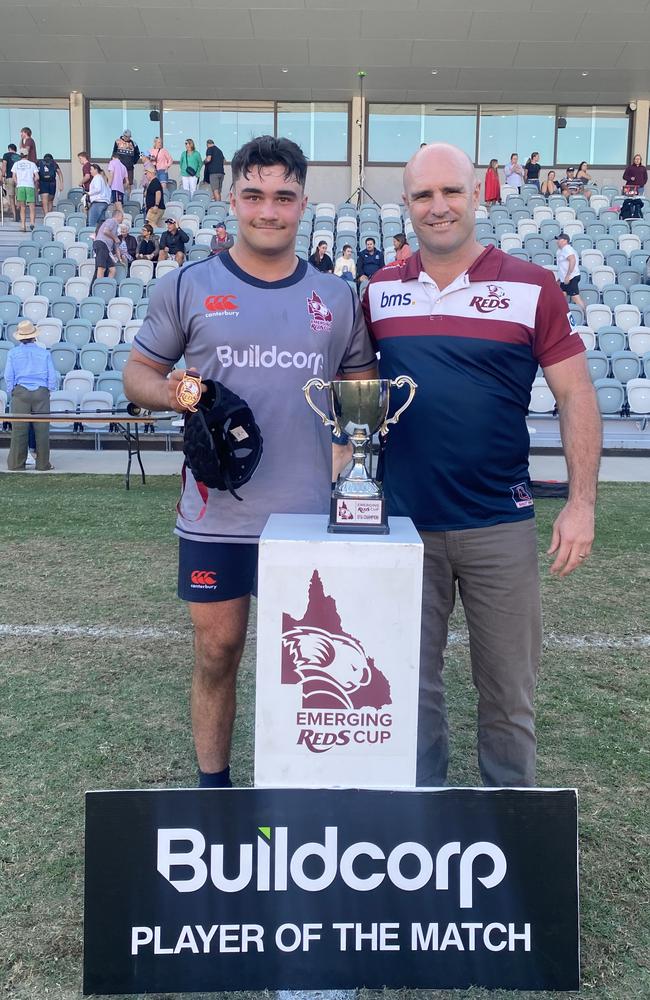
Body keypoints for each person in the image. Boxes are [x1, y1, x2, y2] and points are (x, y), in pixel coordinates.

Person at [123, 135, 376, 788]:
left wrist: (354, 459)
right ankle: (215, 791)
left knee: (313, 663)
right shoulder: (189, 285)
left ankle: (303, 788)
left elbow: (361, 390)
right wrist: (177, 390)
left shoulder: (336, 296)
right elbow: (137, 375)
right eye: (255, 195)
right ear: (232, 199)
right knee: (217, 651)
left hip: (310, 518)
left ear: (302, 204)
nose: (269, 211)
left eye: (284, 197)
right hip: (218, 516)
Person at [362, 142, 601, 788]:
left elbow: (577, 393)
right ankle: (421, 833)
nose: (437, 207)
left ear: (475, 195)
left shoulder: (533, 287)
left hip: (500, 524)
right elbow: (350, 402)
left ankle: (511, 830)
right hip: (404, 529)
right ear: (406, 205)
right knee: (407, 693)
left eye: (450, 192)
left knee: (508, 697)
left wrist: (581, 504)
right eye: (422, 195)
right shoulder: (379, 294)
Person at [5, 320, 57, 472]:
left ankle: (16, 464)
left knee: (19, 429)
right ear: (35, 336)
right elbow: (51, 375)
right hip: (40, 391)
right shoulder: (44, 353)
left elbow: (9, 375)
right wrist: (49, 389)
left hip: (21, 391)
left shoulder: (13, 353)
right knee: (42, 429)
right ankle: (42, 464)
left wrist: (12, 390)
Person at [556, 233, 586, 313]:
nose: (557, 241)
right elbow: (563, 266)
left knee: (575, 297)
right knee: (562, 295)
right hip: (565, 278)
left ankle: (585, 314)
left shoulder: (567, 248)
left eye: (559, 239)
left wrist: (568, 276)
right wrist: (560, 278)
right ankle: (564, 314)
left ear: (565, 241)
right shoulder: (562, 250)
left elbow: (572, 260)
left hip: (571, 277)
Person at [92, 206, 123, 281]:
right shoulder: (111, 221)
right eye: (122, 216)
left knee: (112, 270)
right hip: (102, 244)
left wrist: (120, 259)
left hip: (107, 249)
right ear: (118, 216)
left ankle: (107, 284)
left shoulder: (116, 227)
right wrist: (115, 238)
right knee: (101, 268)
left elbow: (116, 245)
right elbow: (106, 231)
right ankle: (99, 285)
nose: (123, 219)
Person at [11, 150, 39, 232]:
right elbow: (37, 177)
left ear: (20, 155)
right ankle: (32, 223)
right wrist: (32, 181)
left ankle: (23, 226)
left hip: (20, 186)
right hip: (30, 186)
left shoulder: (16, 164)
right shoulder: (32, 164)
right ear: (27, 155)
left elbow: (14, 177)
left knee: (22, 207)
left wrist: (18, 183)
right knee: (32, 207)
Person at [111, 129, 140, 194]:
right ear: (123, 136)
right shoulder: (117, 142)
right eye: (126, 136)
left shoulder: (133, 143)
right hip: (119, 167)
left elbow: (138, 154)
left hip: (129, 167)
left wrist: (133, 161)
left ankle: (128, 198)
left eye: (129, 137)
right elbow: (114, 153)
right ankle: (121, 196)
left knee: (129, 183)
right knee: (120, 182)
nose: (128, 138)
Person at [1, 143, 21, 221]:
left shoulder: (6, 155)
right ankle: (18, 208)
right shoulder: (19, 156)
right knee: (19, 197)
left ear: (9, 148)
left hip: (9, 178)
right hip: (18, 179)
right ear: (15, 150)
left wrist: (2, 175)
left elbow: (4, 165)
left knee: (11, 197)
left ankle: (15, 216)